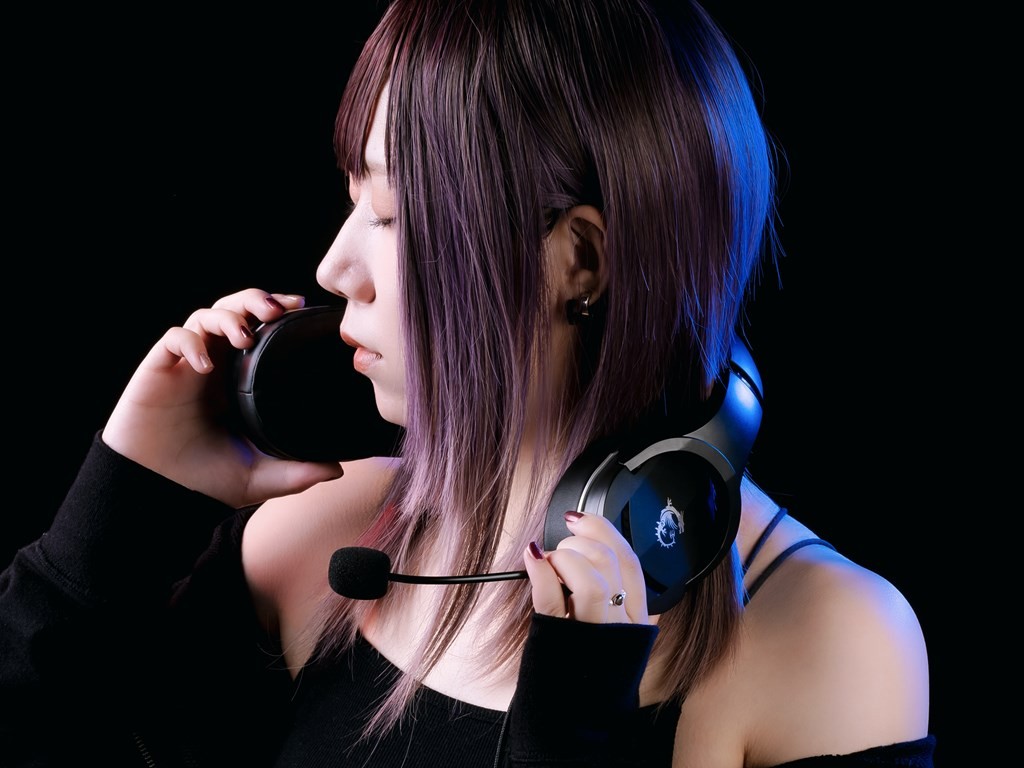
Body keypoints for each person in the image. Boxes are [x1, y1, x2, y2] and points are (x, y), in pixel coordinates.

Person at [0, 1, 935, 766]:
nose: (334, 267)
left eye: (393, 215)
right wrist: (118, 519)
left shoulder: (833, 644)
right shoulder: (313, 544)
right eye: (352, 201)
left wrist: (575, 729)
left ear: (579, 261)